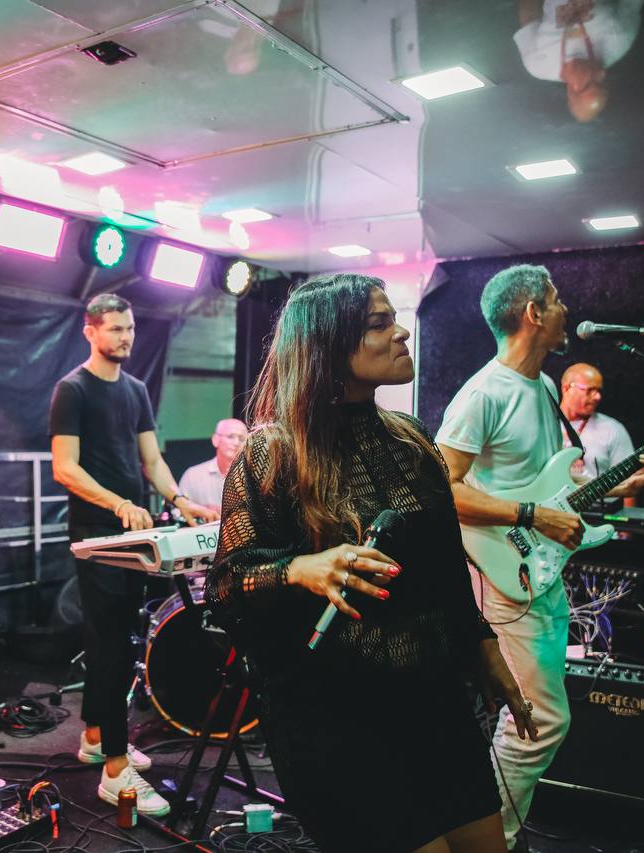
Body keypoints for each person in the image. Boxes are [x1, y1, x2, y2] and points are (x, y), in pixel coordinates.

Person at [206, 274, 531, 853]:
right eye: (380, 324)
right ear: (328, 345)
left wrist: (483, 649)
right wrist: (299, 569)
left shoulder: (410, 439)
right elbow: (226, 587)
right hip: (337, 720)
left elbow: (447, 572)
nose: (401, 331)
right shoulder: (272, 452)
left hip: (434, 706)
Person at [435, 264, 644, 848]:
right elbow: (441, 488)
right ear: (533, 314)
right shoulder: (484, 392)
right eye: (557, 300)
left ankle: (485, 834)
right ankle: (491, 841)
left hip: (541, 570)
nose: (566, 308)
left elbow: (557, 489)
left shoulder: (542, 386)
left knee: (526, 720)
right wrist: (531, 518)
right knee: (539, 723)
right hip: (502, 571)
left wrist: (628, 481)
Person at [49, 293, 219, 817]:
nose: (125, 337)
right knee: (110, 648)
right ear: (90, 331)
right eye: (115, 328)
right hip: (99, 535)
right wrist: (120, 503)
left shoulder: (136, 389)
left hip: (136, 535)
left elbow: (151, 458)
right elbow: (65, 468)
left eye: (130, 328)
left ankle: (98, 738)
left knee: (123, 638)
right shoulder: (72, 389)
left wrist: (181, 501)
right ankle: (114, 773)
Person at [514, 0, 644, 122]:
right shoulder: (620, 40)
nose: (602, 74)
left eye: (592, 83)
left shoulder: (538, 65)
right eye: (604, 82)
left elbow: (529, 12)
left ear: (572, 91)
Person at [558, 362, 636, 496]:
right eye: (590, 390)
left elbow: (629, 485)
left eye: (599, 391)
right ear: (566, 388)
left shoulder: (612, 429)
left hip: (597, 511)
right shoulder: (543, 423)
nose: (597, 397)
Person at [177, 418, 249, 512]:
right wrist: (202, 512)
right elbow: (178, 512)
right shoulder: (192, 476)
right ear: (215, 440)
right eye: (231, 436)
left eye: (242, 439)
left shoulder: (253, 476)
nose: (236, 443)